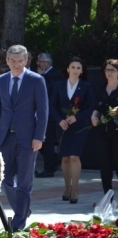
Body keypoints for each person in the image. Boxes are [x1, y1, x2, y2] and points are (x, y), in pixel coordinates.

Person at [0, 45, 48, 230]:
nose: (16, 64)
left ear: (26, 61)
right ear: (7, 61)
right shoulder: (1, 80)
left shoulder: (36, 80)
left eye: (20, 61)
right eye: (12, 61)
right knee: (3, 178)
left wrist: (39, 137)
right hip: (5, 136)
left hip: (28, 139)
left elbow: (43, 111)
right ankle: (23, 208)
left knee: (24, 181)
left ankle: (19, 221)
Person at [50, 57, 94, 204]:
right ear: (68, 69)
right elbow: (52, 105)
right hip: (62, 126)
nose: (75, 70)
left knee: (75, 156)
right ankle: (67, 187)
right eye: (73, 67)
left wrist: (77, 117)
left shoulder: (86, 86)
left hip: (79, 126)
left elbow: (90, 107)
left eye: (78, 68)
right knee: (65, 158)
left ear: (81, 71)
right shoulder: (59, 85)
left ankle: (75, 189)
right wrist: (59, 120)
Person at [91, 59, 118, 195]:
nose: (109, 73)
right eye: (107, 70)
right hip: (102, 132)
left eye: (112, 70)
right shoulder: (101, 89)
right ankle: (107, 196)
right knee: (105, 165)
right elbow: (97, 107)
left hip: (117, 132)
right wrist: (94, 116)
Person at [36, 53, 64, 177]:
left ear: (48, 63)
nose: (38, 64)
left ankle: (49, 169)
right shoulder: (41, 75)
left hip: (51, 115)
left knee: (47, 142)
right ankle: (54, 160)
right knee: (40, 141)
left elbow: (51, 92)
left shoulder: (55, 76)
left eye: (41, 61)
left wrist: (42, 78)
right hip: (39, 113)